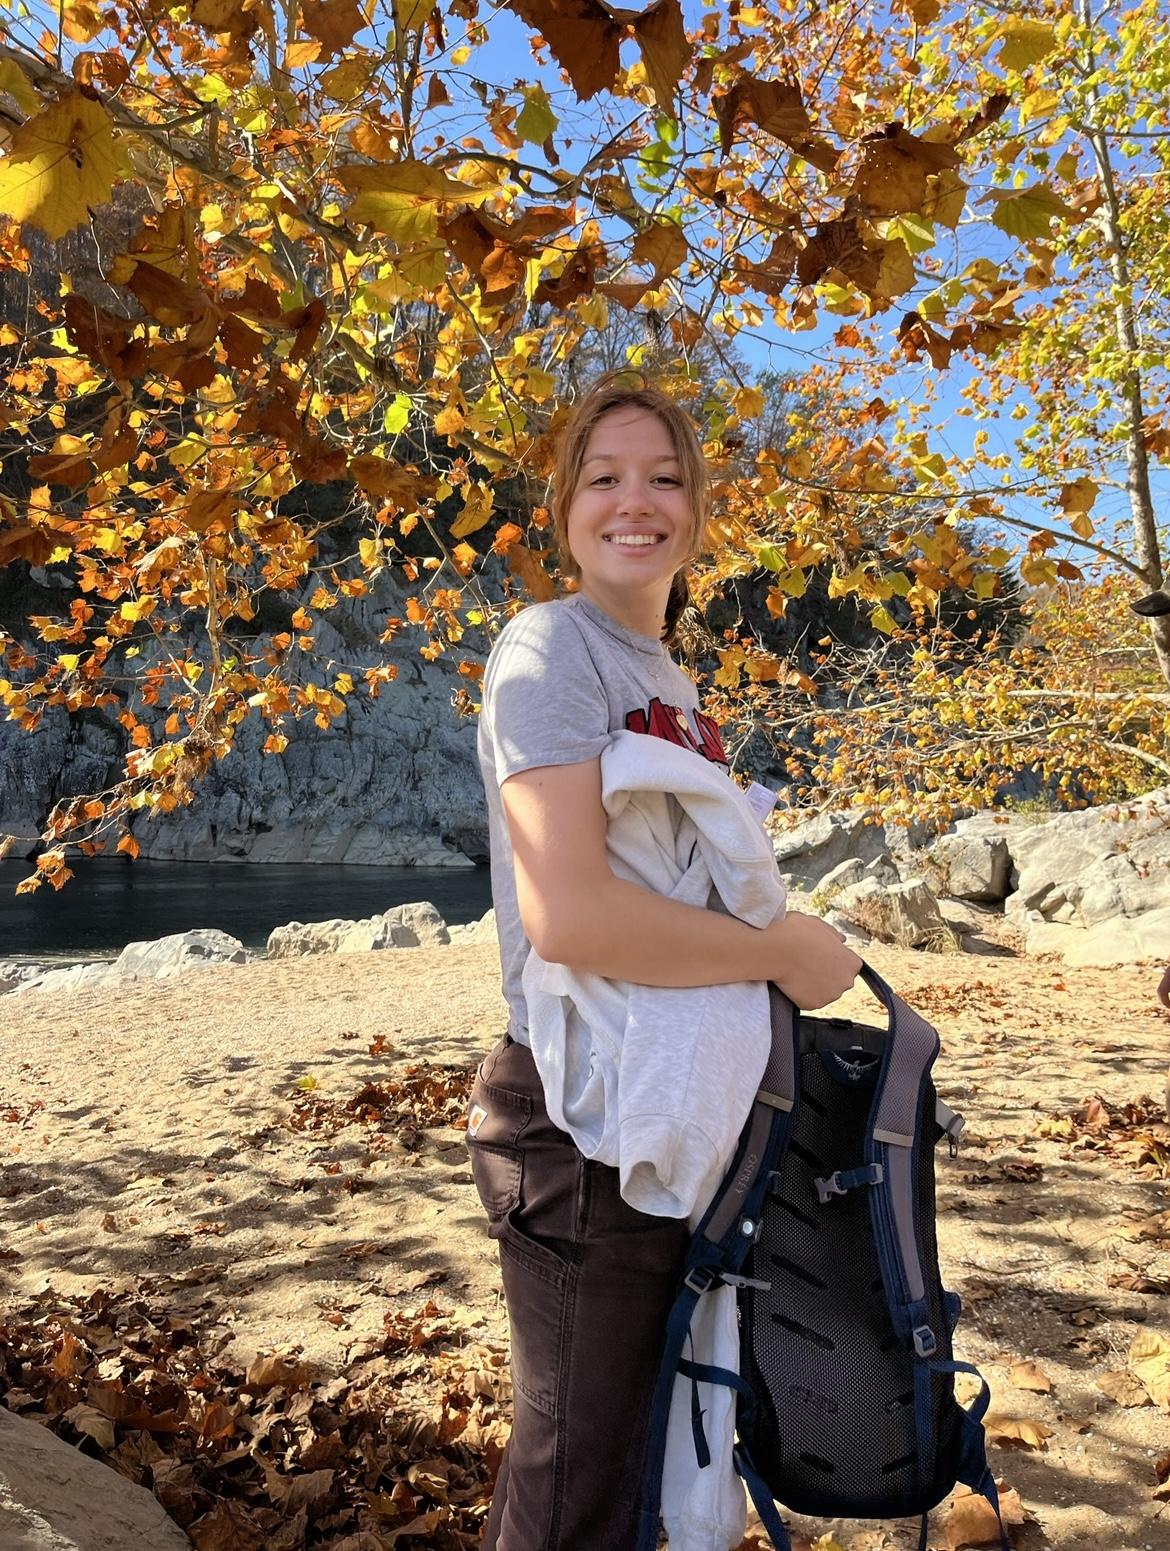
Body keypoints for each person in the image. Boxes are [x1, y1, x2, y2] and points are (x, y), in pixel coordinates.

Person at [468, 372, 862, 1551]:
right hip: (576, 1122)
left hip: (658, 1099)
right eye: (604, 478)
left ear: (697, 511)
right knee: (576, 1476)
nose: (634, 502)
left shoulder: (667, 679)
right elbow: (574, 919)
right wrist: (781, 951)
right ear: (562, 509)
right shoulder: (549, 651)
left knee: (632, 1451)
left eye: (665, 477)